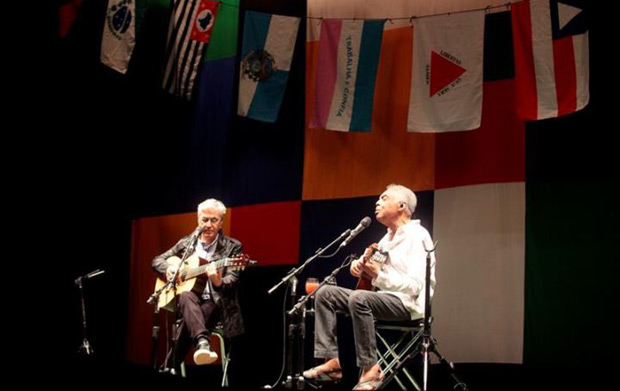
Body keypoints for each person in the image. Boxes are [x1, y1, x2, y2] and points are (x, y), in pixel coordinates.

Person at [303, 184, 436, 390]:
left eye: (384, 198)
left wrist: (378, 277)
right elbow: (374, 270)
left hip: (408, 305)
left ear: (401, 205)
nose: (377, 202)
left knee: (359, 298)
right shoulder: (385, 239)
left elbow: (416, 286)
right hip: (381, 300)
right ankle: (331, 362)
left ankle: (371, 368)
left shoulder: (417, 235)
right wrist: (361, 267)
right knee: (325, 293)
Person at [152, 198, 244, 365]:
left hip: (216, 302)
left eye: (214, 220)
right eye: (205, 219)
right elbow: (157, 260)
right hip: (191, 301)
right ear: (198, 220)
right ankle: (203, 343)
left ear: (221, 222)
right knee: (186, 295)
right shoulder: (187, 243)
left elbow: (233, 279)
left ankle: (171, 364)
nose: (208, 224)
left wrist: (218, 281)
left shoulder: (233, 247)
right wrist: (168, 269)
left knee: (197, 314)